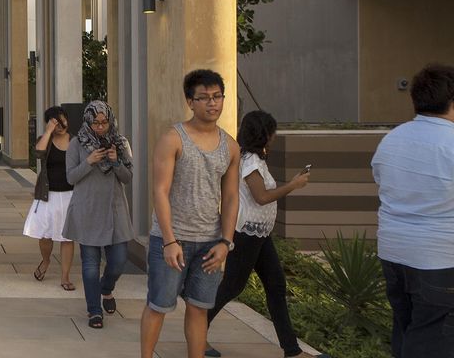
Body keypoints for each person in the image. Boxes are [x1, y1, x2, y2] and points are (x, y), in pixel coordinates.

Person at [203, 111, 328, 358]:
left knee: (276, 285)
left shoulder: (255, 159)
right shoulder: (249, 161)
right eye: (272, 131)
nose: (275, 136)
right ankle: (196, 333)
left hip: (260, 234)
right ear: (263, 134)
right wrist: (293, 185)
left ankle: (292, 351)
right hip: (247, 234)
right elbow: (261, 197)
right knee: (231, 287)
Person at [141, 69, 240, 358]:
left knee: (199, 309)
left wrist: (226, 242)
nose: (213, 103)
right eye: (204, 98)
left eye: (217, 97)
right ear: (190, 101)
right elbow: (159, 191)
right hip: (172, 241)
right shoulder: (173, 139)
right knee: (158, 306)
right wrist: (169, 241)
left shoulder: (230, 146)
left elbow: (232, 197)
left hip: (210, 244)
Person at [372, 63, 454, 358]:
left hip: (394, 254)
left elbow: (383, 183)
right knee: (435, 338)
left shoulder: (391, 140)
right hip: (439, 259)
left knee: (406, 328)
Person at [63, 100, 134, 329]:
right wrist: (89, 161)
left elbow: (127, 177)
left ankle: (107, 288)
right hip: (88, 209)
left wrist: (115, 162)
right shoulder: (76, 143)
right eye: (96, 123)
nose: (100, 127)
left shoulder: (121, 143)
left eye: (104, 122)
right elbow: (71, 177)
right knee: (90, 264)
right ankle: (94, 311)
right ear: (87, 121)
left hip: (115, 210)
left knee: (119, 261)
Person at [22, 106, 77, 289]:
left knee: (67, 237)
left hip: (70, 194)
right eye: (55, 122)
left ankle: (65, 277)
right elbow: (38, 153)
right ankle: (45, 261)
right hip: (48, 195)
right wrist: (48, 132)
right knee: (45, 235)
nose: (60, 125)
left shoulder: (76, 141)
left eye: (62, 121)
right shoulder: (45, 140)